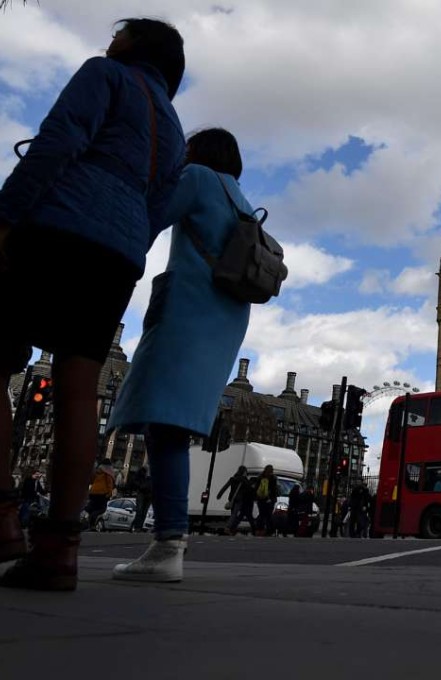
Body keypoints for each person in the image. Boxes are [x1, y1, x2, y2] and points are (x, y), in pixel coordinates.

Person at [0, 18, 186, 591]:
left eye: (117, 35)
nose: (108, 43)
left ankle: (4, 517)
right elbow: (161, 207)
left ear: (132, 47)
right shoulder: (175, 130)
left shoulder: (104, 76)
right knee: (80, 392)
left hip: (58, 229)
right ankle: (59, 549)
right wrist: (127, 242)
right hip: (119, 255)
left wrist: (7, 215)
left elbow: (59, 141)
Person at [106, 128, 255, 582]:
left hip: (187, 310)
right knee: (170, 424)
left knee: (163, 425)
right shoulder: (243, 201)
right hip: (225, 320)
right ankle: (169, 541)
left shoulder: (195, 178)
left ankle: (168, 543)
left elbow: (149, 215)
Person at [219, 465, 255, 535]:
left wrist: (219, 495)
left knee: (233, 513)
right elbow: (249, 488)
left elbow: (225, 487)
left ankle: (231, 528)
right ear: (244, 472)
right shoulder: (243, 480)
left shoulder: (233, 478)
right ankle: (228, 528)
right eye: (245, 472)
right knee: (235, 514)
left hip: (232, 498)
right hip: (239, 499)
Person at [85, 459, 117, 531]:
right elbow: (109, 484)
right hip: (102, 493)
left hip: (93, 492)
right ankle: (91, 523)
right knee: (101, 509)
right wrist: (109, 494)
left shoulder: (97, 471)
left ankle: (89, 522)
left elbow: (91, 480)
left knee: (93, 507)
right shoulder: (108, 473)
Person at [253, 465, 279, 536]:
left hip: (261, 499)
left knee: (262, 515)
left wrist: (256, 497)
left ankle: (259, 530)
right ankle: (270, 530)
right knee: (268, 516)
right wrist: (272, 498)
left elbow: (256, 488)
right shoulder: (273, 478)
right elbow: (274, 490)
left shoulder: (260, 477)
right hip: (270, 500)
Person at [130, 466, 153, 533]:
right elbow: (134, 479)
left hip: (150, 494)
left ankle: (139, 527)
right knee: (139, 510)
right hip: (141, 493)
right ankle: (137, 527)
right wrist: (140, 486)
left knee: (144, 512)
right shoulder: (142, 470)